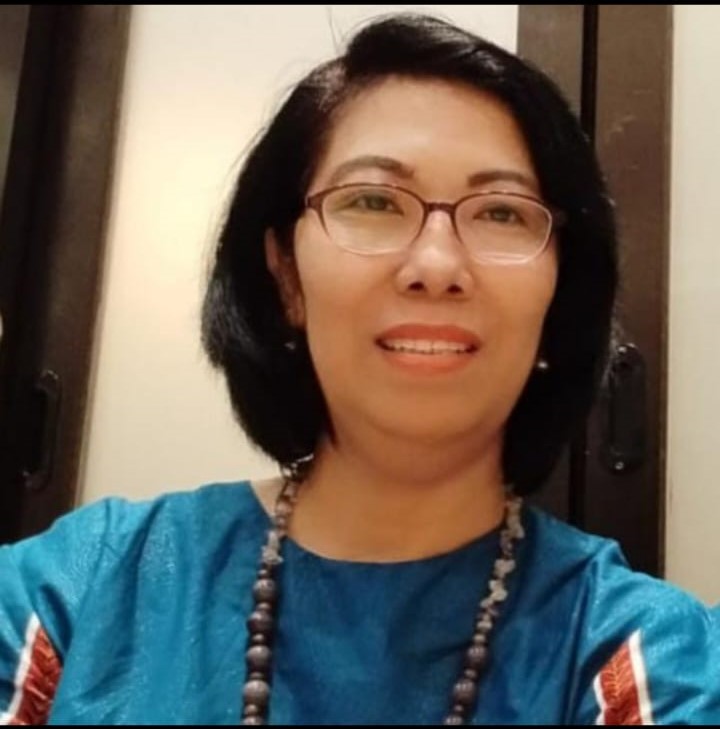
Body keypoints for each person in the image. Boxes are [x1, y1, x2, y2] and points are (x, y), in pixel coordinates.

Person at [1, 13, 718, 726]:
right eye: (372, 201)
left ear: (559, 296)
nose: (436, 265)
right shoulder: (74, 594)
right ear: (286, 276)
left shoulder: (638, 654)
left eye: (502, 213)